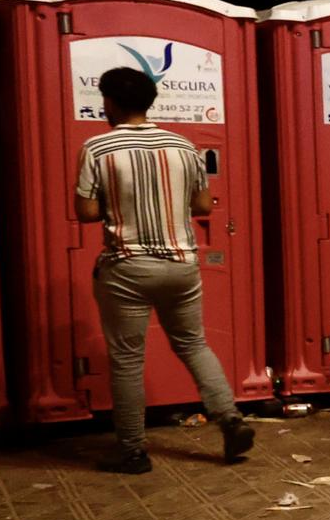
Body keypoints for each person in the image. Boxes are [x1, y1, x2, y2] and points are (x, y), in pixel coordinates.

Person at [73, 66, 255, 474]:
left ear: (111, 102)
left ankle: (133, 451)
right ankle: (229, 417)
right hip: (181, 265)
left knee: (126, 358)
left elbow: (84, 211)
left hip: (127, 266)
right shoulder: (183, 146)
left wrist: (122, 204)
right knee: (193, 344)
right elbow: (204, 207)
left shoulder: (98, 148)